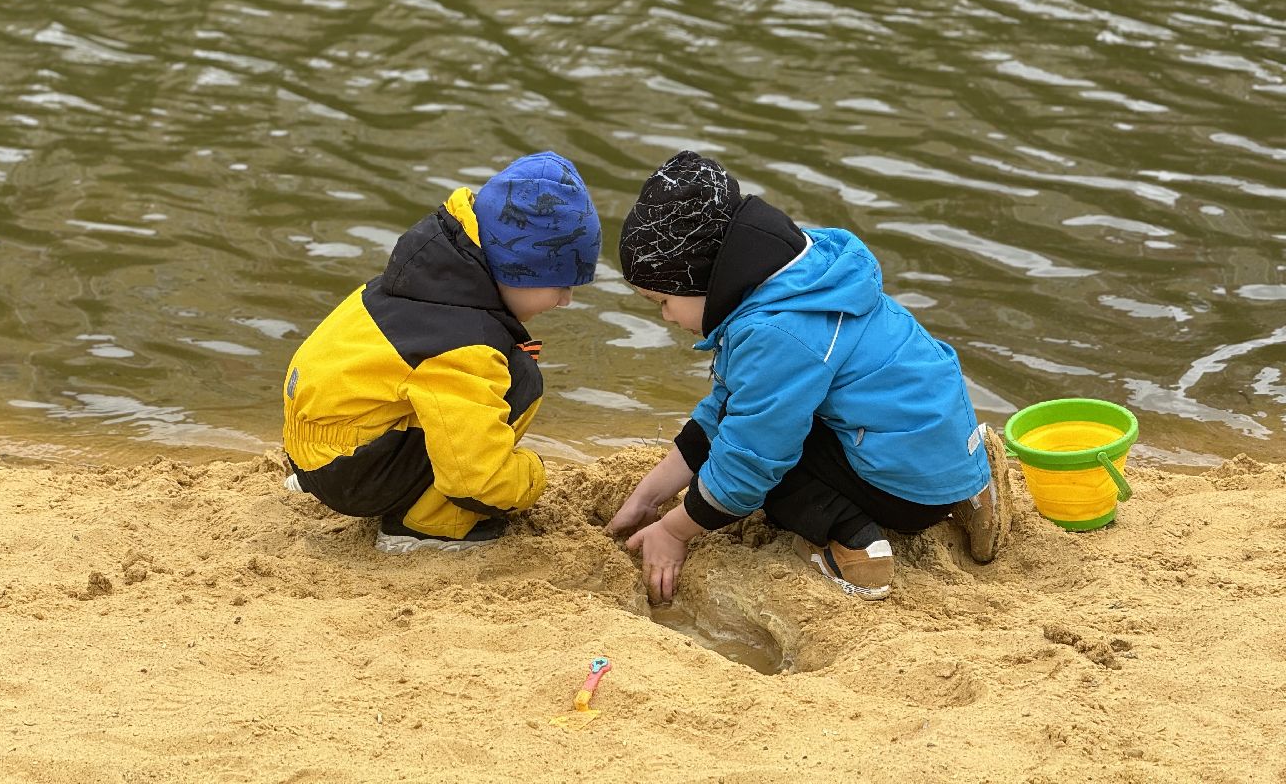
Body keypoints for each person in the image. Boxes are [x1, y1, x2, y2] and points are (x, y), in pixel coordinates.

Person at [605, 151, 1009, 602]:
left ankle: (857, 544)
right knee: (761, 420)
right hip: (945, 445)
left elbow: (749, 461)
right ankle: (974, 487)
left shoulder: (775, 332)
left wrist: (674, 530)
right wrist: (648, 496)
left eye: (661, 300)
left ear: (704, 280)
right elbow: (729, 407)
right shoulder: (810, 273)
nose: (664, 316)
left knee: (769, 474)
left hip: (906, 494)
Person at [282, 151, 600, 553]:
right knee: (520, 378)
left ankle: (338, 477)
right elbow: (475, 480)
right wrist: (531, 476)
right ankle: (424, 526)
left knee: (453, 383)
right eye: (561, 284)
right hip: (350, 474)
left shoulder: (420, 279)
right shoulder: (464, 342)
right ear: (520, 269)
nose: (566, 301)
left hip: (311, 445)